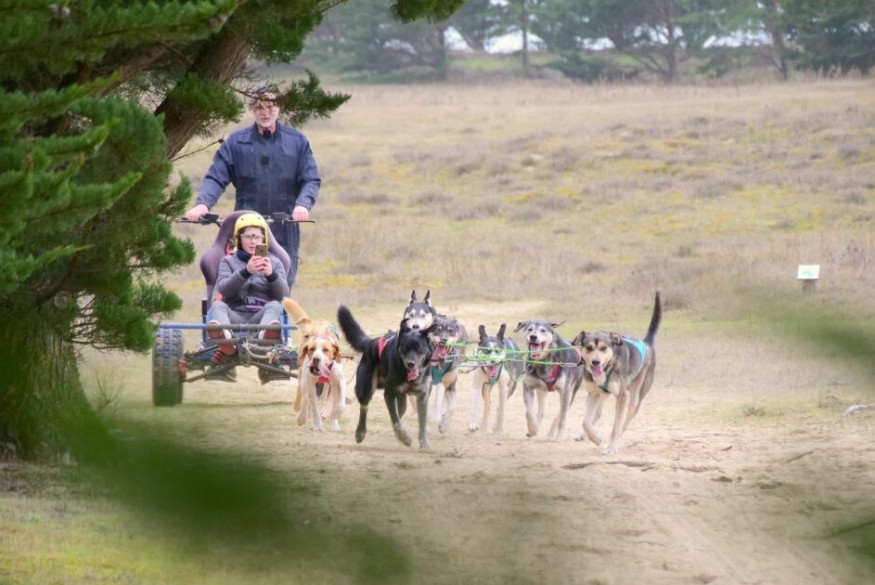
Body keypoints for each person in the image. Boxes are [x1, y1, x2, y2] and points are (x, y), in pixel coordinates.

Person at [184, 85, 320, 287]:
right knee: (241, 283)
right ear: (251, 109)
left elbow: (310, 179)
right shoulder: (236, 143)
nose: (265, 112)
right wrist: (202, 204)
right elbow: (216, 177)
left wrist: (302, 205)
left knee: (279, 284)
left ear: (279, 107)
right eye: (259, 107)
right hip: (246, 228)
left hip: (283, 227)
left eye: (270, 107)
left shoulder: (297, 142)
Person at [207, 213, 290, 362]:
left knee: (275, 305)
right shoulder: (227, 261)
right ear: (239, 239)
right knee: (217, 305)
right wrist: (246, 271)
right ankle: (226, 340)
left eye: (257, 237)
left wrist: (271, 275)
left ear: (264, 239)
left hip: (261, 316)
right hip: (235, 316)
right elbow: (223, 290)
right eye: (248, 236)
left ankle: (264, 337)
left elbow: (283, 295)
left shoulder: (275, 262)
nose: (253, 241)